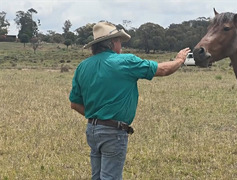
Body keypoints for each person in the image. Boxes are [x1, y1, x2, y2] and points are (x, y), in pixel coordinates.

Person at [69, 22, 190, 180]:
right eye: (119, 40)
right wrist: (180, 60)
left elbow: (75, 104)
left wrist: (97, 117)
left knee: (97, 176)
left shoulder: (82, 67)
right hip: (113, 132)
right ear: (112, 43)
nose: (121, 45)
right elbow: (163, 69)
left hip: (92, 130)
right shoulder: (125, 62)